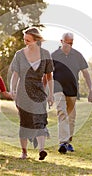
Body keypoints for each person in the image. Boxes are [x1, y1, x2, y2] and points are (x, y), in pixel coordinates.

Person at [10, 27, 54, 160]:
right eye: (24, 40)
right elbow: (15, 74)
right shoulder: (19, 54)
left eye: (28, 40)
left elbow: (49, 76)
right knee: (25, 121)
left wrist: (51, 94)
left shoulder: (45, 54)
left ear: (36, 40)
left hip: (39, 91)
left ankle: (41, 150)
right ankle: (24, 152)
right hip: (23, 92)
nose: (26, 43)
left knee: (40, 120)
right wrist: (12, 89)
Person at [51, 32, 92, 154]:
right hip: (57, 89)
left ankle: (68, 141)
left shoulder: (77, 55)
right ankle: (63, 142)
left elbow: (86, 73)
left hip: (72, 89)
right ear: (61, 41)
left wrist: (91, 90)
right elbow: (48, 74)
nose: (69, 45)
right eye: (67, 42)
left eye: (71, 43)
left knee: (71, 117)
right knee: (62, 112)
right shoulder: (54, 55)